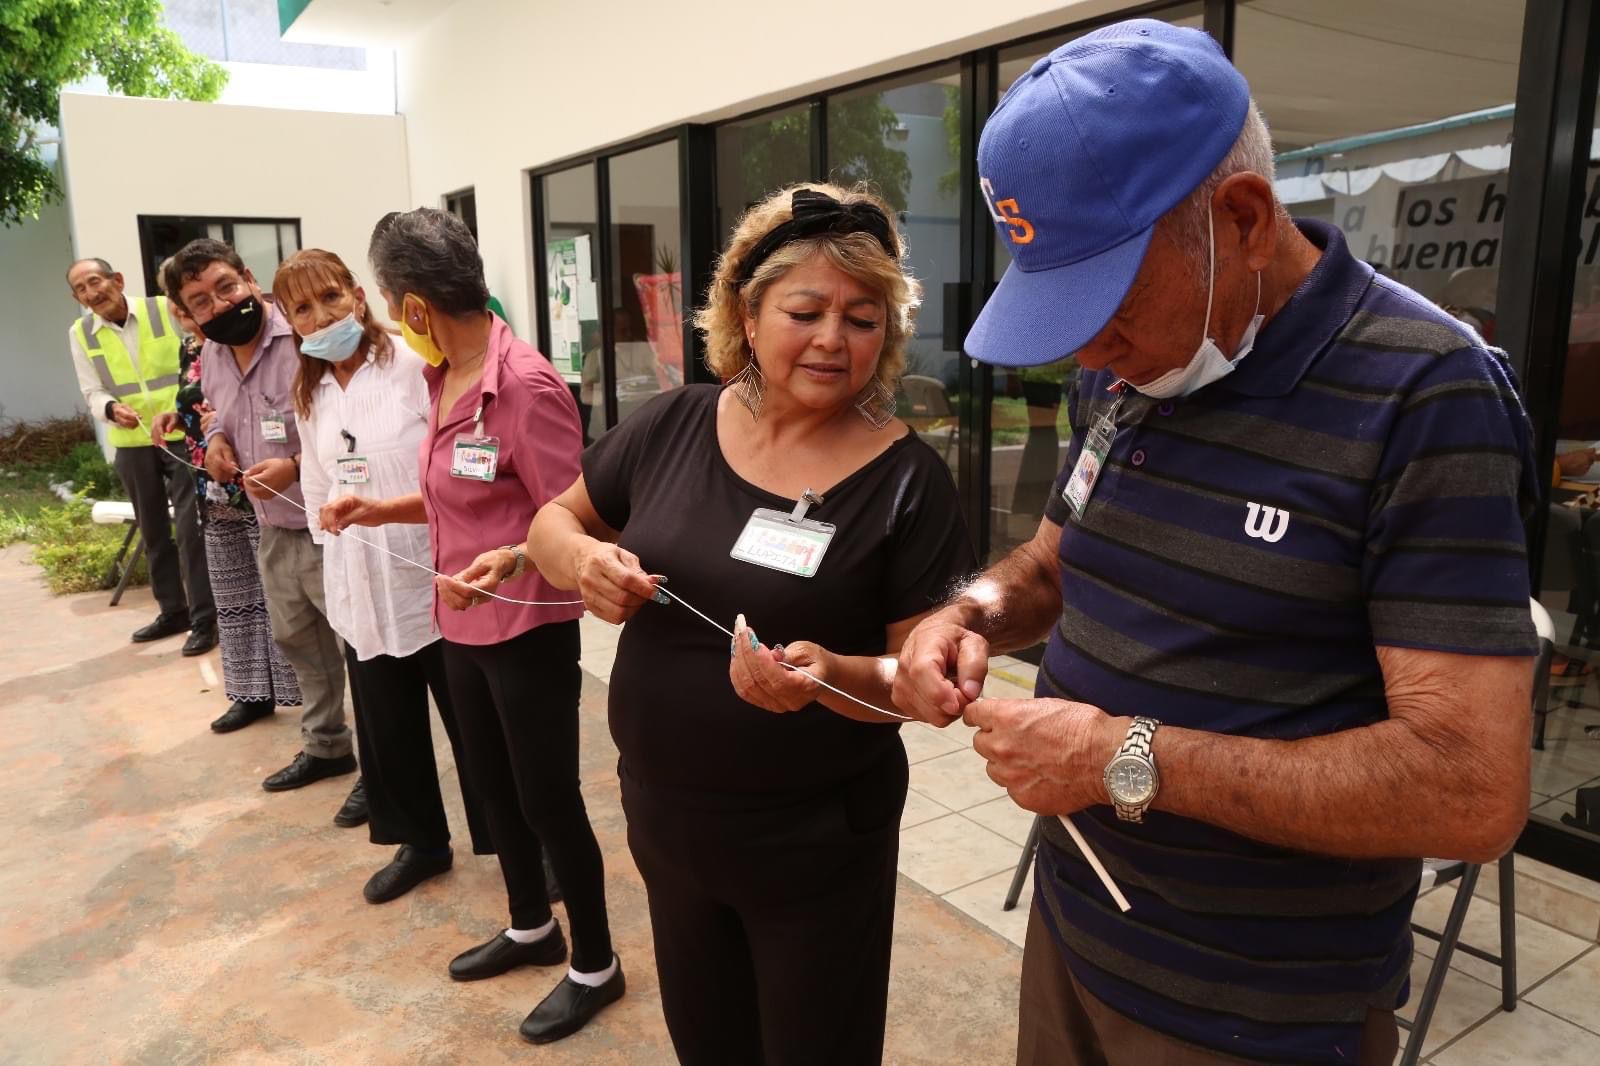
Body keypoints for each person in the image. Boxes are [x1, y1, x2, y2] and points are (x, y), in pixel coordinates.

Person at [892, 21, 1538, 1066]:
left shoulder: (1427, 390)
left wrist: (1119, 759)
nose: (1082, 347)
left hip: (1258, 1006)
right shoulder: (1142, 358)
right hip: (1077, 929)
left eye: (1103, 302)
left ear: (1238, 218)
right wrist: (963, 608)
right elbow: (1054, 562)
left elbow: (1467, 788)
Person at [524, 182, 978, 1065]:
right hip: (667, 821)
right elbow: (553, 520)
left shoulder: (907, 483)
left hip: (814, 847)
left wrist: (830, 678)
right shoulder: (675, 423)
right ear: (745, 307)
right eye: (806, 309)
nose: (833, 339)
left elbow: (920, 692)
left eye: (864, 317)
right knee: (708, 1042)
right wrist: (582, 563)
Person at [320, 208, 619, 1044]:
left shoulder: (520, 385)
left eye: (385, 298)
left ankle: (595, 963)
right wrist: (377, 508)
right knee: (489, 786)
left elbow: (578, 515)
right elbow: (462, 492)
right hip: (458, 622)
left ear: (414, 303)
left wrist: (517, 561)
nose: (383, 315)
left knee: (547, 798)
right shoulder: (439, 375)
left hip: (525, 626)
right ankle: (532, 926)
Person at [273, 247, 492, 900]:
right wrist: (330, 538)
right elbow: (316, 481)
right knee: (387, 729)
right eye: (304, 308)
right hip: (359, 584)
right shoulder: (310, 390)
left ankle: (514, 842)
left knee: (475, 724)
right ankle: (420, 842)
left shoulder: (413, 365)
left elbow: (463, 469)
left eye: (331, 297)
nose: (322, 316)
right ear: (290, 321)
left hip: (436, 573)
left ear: (359, 295)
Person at [163, 240, 361, 814]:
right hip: (272, 526)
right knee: (300, 642)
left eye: (226, 286)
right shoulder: (215, 355)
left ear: (248, 278)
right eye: (200, 300)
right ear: (188, 313)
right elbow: (222, 413)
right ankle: (327, 747)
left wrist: (297, 466)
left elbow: (350, 425)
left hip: (336, 525)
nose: (220, 304)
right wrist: (220, 441)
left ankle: (385, 770)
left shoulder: (305, 339)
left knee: (362, 653)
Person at [149, 271, 303, 733]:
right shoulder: (198, 350)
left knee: (280, 600)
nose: (206, 309)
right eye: (190, 303)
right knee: (235, 600)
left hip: (266, 488)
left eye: (220, 292)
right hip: (215, 488)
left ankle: (303, 702)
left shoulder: (275, 339)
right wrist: (193, 423)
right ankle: (250, 694)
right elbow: (207, 406)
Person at [65, 258, 217, 655]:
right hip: (131, 442)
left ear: (117, 280)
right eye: (81, 289)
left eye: (95, 281)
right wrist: (112, 409)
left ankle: (205, 619)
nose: (91, 293)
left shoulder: (159, 309)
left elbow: (193, 359)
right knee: (153, 531)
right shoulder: (81, 333)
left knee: (190, 529)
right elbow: (92, 391)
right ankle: (173, 611)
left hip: (180, 433)